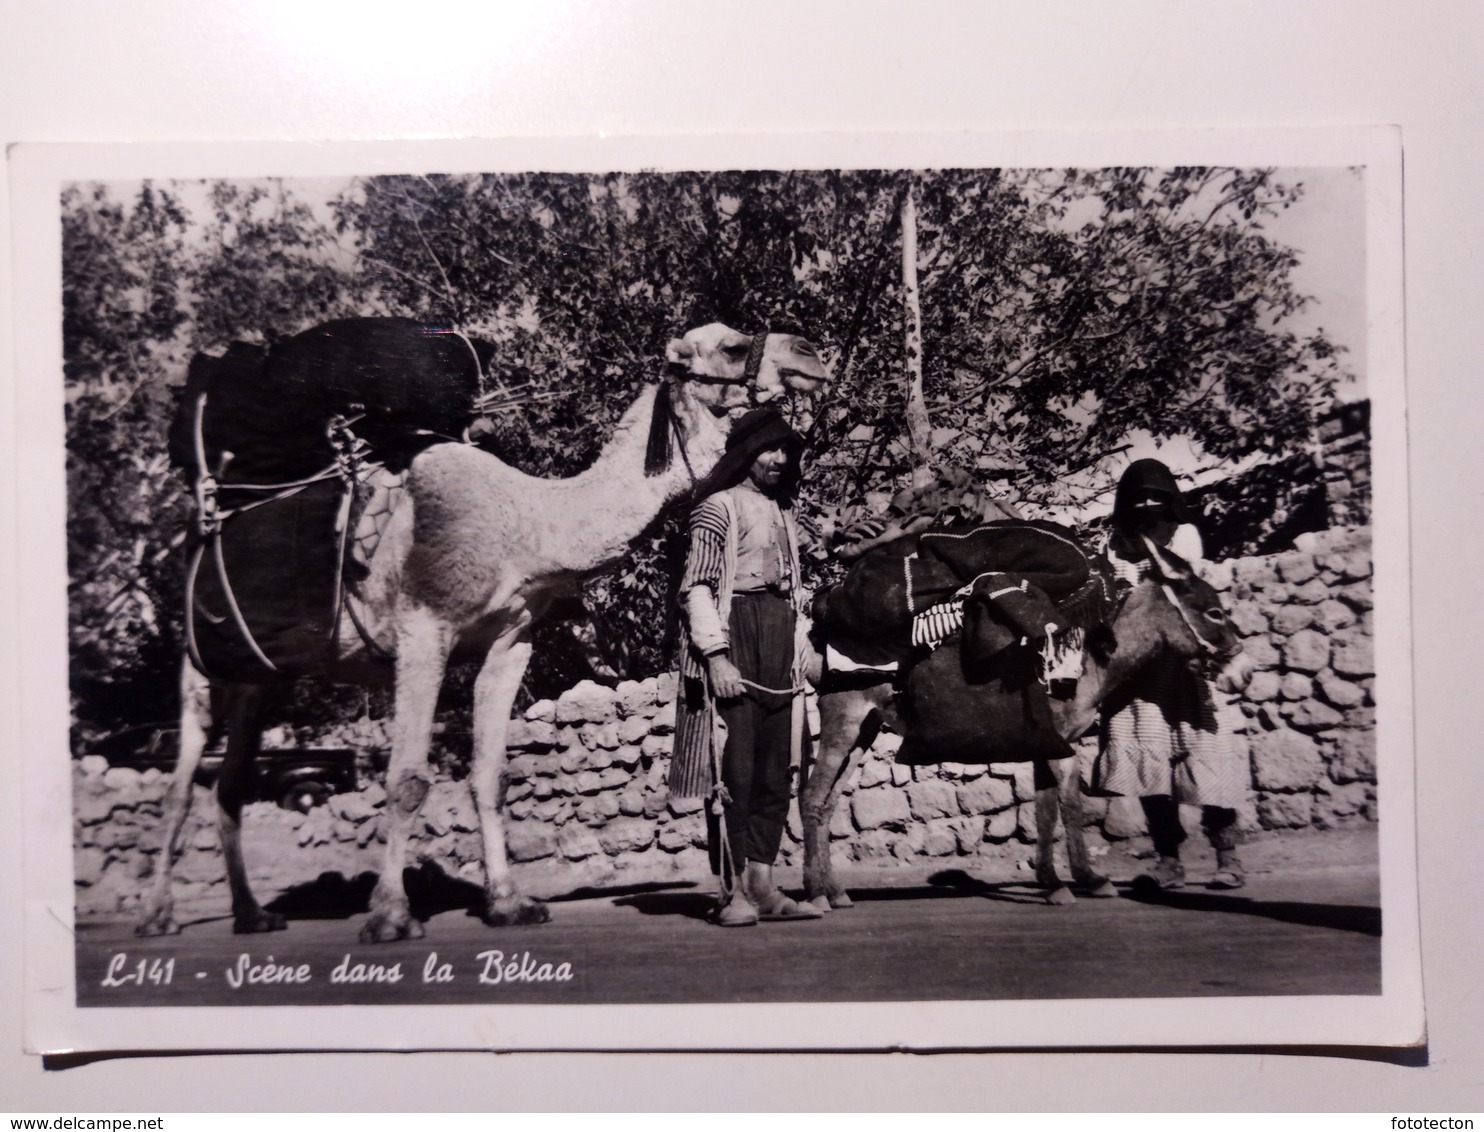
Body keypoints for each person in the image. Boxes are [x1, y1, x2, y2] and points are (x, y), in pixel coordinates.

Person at [667, 406, 823, 926]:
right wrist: (715, 656)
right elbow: (697, 588)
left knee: (778, 769)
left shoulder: (785, 510)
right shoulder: (717, 508)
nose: (779, 459)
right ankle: (731, 891)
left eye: (786, 450)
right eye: (768, 449)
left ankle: (764, 886)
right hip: (736, 634)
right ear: (746, 453)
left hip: (779, 633)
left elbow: (795, 586)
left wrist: (801, 646)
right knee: (734, 767)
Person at [1093, 458, 1249, 891]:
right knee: (1149, 765)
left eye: (1156, 497)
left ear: (1170, 500)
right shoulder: (1113, 544)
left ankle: (1227, 855)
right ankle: (1168, 861)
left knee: (1205, 755)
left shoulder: (1183, 536)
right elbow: (1113, 597)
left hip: (1184, 664)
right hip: (1139, 672)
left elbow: (1179, 591)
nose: (1147, 504)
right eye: (1138, 497)